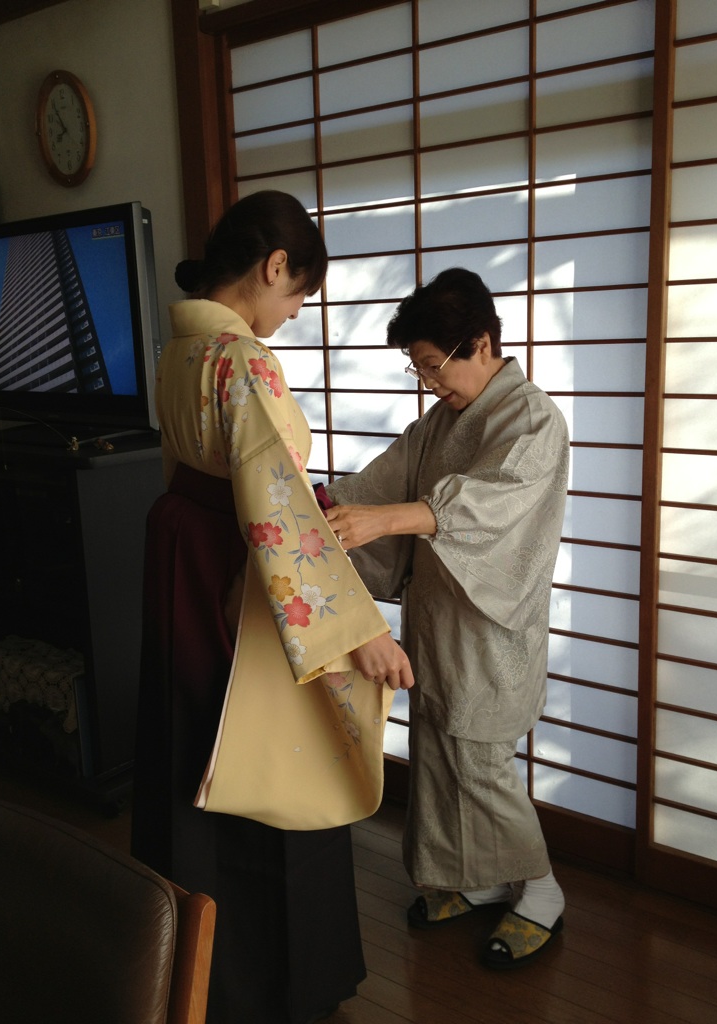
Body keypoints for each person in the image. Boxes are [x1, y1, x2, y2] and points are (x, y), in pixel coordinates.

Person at [130, 190, 413, 1024]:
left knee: (192, 748)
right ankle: (272, 987)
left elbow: (224, 482)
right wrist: (357, 632)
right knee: (281, 762)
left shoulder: (181, 348)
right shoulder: (241, 359)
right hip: (240, 579)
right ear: (274, 265)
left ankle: (187, 971)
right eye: (297, 294)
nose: (293, 314)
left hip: (183, 559)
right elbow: (273, 507)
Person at [323, 267, 570, 970]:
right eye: (420, 369)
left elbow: (487, 504)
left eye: (434, 365)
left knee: (481, 759)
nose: (429, 383)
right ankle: (479, 881)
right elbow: (389, 476)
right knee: (438, 751)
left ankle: (541, 889)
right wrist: (327, 503)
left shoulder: (533, 420)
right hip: (437, 612)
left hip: (492, 626)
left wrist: (383, 522)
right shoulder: (442, 420)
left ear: (481, 344)